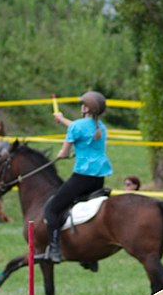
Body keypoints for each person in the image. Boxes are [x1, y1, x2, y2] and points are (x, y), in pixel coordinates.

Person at [39, 91, 113, 263]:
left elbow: (64, 152)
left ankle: (55, 249)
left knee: (51, 210)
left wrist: (62, 154)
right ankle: (89, 256)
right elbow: (81, 128)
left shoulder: (77, 127)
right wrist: (62, 119)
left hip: (82, 177)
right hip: (98, 179)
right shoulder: (100, 127)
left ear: (85, 108)